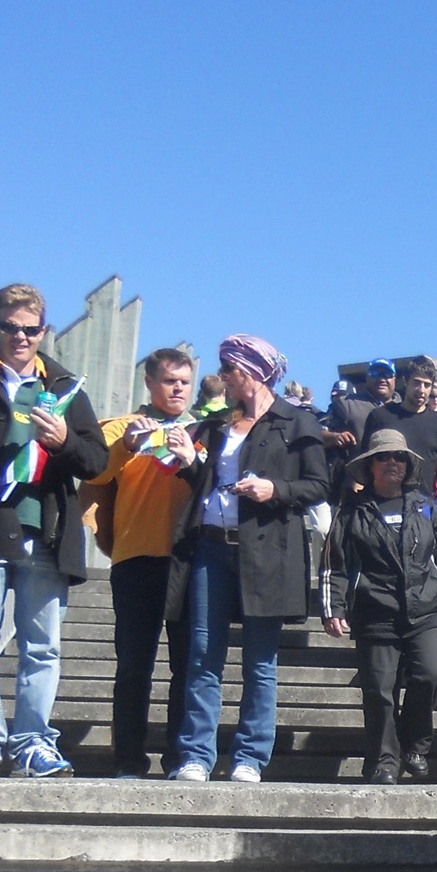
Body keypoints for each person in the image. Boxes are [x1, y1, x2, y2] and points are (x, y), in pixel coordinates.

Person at [0, 282, 108, 777]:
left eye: (29, 329)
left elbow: (95, 462)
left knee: (41, 646)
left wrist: (65, 440)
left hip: (46, 531)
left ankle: (33, 743)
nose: (20, 337)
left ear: (43, 331)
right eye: (9, 328)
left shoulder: (66, 387)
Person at [164, 335, 327, 782]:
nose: (222, 378)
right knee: (202, 653)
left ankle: (249, 757)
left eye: (229, 369)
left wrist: (276, 490)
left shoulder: (297, 422)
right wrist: (188, 462)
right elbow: (209, 483)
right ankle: (197, 753)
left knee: (259, 658)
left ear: (252, 372)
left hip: (268, 551)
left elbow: (318, 485)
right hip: (212, 545)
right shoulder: (220, 424)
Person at [320, 428, 437, 783]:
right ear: (370, 465)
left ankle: (414, 743)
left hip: (426, 610)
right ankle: (384, 761)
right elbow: (334, 563)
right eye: (384, 457)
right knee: (378, 690)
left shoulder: (425, 506)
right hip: (375, 612)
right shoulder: (351, 511)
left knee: (430, 675)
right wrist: (333, 608)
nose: (392, 463)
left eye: (399, 457)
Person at [82, 346, 200, 776]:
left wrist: (193, 454)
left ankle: (179, 758)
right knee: (134, 666)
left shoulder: (202, 431)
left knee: (186, 667)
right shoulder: (120, 428)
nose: (178, 389)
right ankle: (128, 760)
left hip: (187, 561)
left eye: (184, 382)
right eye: (169, 381)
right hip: (133, 558)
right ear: (149, 383)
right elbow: (93, 475)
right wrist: (127, 449)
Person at [364, 356, 437, 500]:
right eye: (416, 383)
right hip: (380, 502)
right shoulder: (380, 417)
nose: (421, 390)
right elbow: (364, 462)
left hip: (423, 506)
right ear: (405, 381)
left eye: (427, 385)